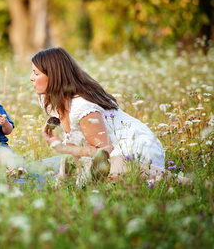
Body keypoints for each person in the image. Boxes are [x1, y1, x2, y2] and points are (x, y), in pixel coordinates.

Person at [30, 47, 184, 185]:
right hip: (107, 154)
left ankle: (179, 181)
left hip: (134, 145)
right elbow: (80, 145)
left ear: (54, 76)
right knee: (80, 181)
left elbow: (103, 153)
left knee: (114, 172)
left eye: (36, 73)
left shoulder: (81, 106)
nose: (31, 78)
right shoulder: (51, 100)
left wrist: (62, 147)